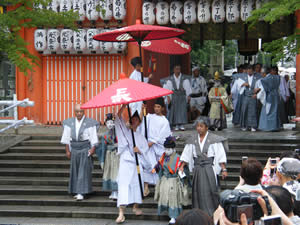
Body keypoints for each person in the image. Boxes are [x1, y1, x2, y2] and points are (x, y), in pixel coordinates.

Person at [179, 117, 228, 217]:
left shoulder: (214, 139)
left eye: (201, 126)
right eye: (197, 126)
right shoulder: (193, 140)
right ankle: (199, 214)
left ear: (206, 127)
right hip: (197, 168)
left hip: (209, 168)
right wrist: (182, 166)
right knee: (197, 191)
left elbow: (220, 155)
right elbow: (186, 154)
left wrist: (224, 169)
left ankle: (212, 214)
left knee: (211, 191)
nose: (199, 128)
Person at [114, 104, 151, 223]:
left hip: (136, 163)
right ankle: (121, 213)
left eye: (136, 120)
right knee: (123, 186)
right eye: (132, 120)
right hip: (125, 162)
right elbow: (117, 118)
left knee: (136, 185)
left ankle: (135, 207)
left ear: (139, 123)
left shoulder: (140, 137)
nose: (133, 122)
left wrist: (139, 151)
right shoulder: (124, 132)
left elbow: (146, 154)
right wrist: (124, 106)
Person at [61, 104, 99, 201]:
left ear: (84, 112)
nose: (79, 113)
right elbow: (66, 137)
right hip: (74, 148)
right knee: (75, 170)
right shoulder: (69, 122)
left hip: (85, 148)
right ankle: (76, 190)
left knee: (83, 171)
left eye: (81, 111)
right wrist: (67, 150)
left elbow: (93, 137)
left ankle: (81, 192)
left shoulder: (90, 123)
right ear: (74, 112)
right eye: (77, 111)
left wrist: (93, 148)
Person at [154, 136, 189, 225]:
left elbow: (183, 170)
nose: (167, 150)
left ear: (173, 149)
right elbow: (160, 169)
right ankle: (169, 214)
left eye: (169, 149)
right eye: (165, 148)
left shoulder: (179, 158)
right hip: (165, 180)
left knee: (174, 199)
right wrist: (159, 177)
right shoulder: (163, 157)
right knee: (165, 197)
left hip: (174, 181)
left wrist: (182, 179)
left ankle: (174, 216)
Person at [143, 97, 172, 197]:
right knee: (146, 165)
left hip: (157, 146)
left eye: (158, 107)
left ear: (163, 108)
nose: (156, 109)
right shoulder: (149, 117)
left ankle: (158, 187)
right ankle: (146, 186)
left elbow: (164, 136)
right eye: (155, 107)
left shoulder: (165, 121)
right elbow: (143, 123)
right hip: (148, 146)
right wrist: (143, 109)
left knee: (157, 167)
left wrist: (153, 141)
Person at [95, 113, 119, 200]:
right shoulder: (105, 135)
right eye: (108, 123)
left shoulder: (119, 133)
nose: (110, 124)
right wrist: (102, 160)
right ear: (105, 124)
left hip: (117, 155)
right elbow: (103, 148)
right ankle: (112, 191)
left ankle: (117, 191)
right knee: (109, 172)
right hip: (109, 155)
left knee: (116, 173)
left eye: (112, 122)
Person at [164, 64, 192, 131]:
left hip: (182, 95)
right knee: (175, 110)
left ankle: (181, 124)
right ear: (173, 70)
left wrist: (188, 96)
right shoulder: (170, 79)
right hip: (174, 96)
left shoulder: (184, 78)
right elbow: (168, 89)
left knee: (182, 110)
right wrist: (168, 97)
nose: (178, 70)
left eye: (179, 69)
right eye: (176, 69)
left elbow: (187, 88)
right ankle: (176, 124)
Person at [256, 66, 281, 131]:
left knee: (268, 111)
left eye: (261, 73)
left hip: (269, 96)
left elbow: (263, 90)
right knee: (275, 111)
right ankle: (276, 126)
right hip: (276, 95)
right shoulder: (277, 77)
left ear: (264, 73)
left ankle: (268, 127)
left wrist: (257, 95)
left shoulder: (264, 80)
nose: (261, 74)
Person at [239, 65, 262, 131]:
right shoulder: (243, 77)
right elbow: (237, 84)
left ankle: (253, 126)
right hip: (246, 96)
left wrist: (257, 90)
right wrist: (243, 84)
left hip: (253, 96)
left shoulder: (257, 77)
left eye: (250, 70)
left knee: (253, 111)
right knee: (245, 111)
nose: (249, 71)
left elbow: (261, 86)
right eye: (248, 69)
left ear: (253, 71)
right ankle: (244, 126)